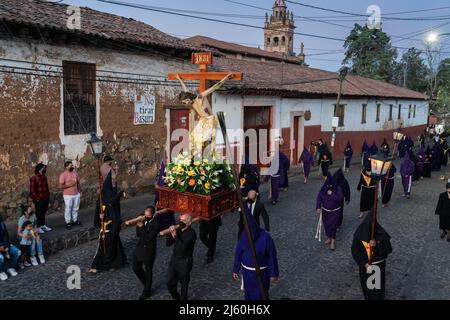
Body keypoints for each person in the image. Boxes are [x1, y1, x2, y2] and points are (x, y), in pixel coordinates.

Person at [233, 207, 279, 300]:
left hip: (262, 274)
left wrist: (273, 274)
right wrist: (235, 269)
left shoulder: (265, 237)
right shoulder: (244, 236)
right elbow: (238, 253)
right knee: (248, 294)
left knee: (261, 294)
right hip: (247, 273)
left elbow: (271, 256)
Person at [90, 170, 127, 273]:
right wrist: (99, 217)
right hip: (106, 222)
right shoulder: (105, 193)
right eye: (113, 179)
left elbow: (114, 205)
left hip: (113, 221)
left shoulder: (112, 190)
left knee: (114, 243)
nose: (114, 181)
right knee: (104, 244)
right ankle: (97, 265)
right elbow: (110, 203)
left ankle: (115, 263)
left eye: (115, 179)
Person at [351, 214, 392, 300]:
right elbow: (355, 250)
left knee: (377, 290)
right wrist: (364, 264)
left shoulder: (381, 234)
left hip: (378, 267)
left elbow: (388, 249)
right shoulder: (360, 235)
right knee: (367, 289)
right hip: (366, 267)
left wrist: (377, 244)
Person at [166, 214, 197, 300]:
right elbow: (168, 244)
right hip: (174, 259)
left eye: (183, 220)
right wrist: (170, 233)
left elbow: (182, 247)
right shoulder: (178, 230)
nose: (180, 222)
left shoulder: (192, 233)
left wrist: (175, 236)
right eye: (180, 220)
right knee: (169, 282)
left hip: (185, 261)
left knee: (184, 283)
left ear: (189, 223)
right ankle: (176, 297)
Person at [133, 205, 160, 300]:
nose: (146, 217)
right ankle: (146, 283)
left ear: (153, 215)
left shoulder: (156, 224)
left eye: (148, 216)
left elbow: (148, 238)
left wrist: (142, 227)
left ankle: (147, 291)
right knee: (135, 268)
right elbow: (138, 234)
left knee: (148, 271)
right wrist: (138, 225)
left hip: (149, 250)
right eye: (145, 215)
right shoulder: (143, 218)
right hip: (140, 248)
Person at [316, 173, 344, 250]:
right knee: (327, 226)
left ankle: (333, 241)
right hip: (325, 212)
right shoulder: (324, 188)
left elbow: (340, 199)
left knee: (333, 226)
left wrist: (332, 194)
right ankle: (329, 237)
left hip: (335, 212)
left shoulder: (337, 188)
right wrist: (318, 207)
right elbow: (319, 196)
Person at [153, 161, 176, 231]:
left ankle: (169, 225)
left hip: (169, 191)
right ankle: (161, 225)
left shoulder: (174, 164)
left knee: (169, 209)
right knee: (161, 208)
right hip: (161, 192)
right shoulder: (164, 163)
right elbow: (161, 178)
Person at [29, 163, 51, 234]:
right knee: (38, 213)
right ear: (39, 169)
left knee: (43, 212)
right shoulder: (34, 178)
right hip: (39, 199)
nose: (45, 170)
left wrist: (48, 196)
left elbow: (46, 187)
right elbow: (32, 190)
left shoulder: (44, 177)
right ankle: (38, 227)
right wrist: (37, 199)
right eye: (44, 168)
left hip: (45, 198)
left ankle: (43, 225)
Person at [59, 160, 81, 230]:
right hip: (68, 195)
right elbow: (61, 186)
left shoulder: (75, 173)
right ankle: (68, 222)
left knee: (76, 208)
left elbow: (78, 183)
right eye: (70, 165)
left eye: (72, 165)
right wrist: (70, 185)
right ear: (66, 167)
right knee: (68, 209)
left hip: (76, 194)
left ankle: (75, 220)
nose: (72, 166)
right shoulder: (63, 175)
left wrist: (80, 191)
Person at [0, 214, 21, 281]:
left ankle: (10, 267)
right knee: (1, 258)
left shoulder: (1, 224)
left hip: (4, 245)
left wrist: (6, 246)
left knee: (17, 252)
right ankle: (1, 272)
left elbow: (6, 235)